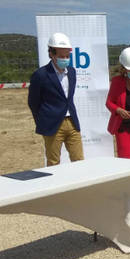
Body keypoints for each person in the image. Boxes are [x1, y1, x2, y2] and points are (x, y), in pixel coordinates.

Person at [28, 32, 84, 167]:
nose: (65, 59)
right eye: (61, 56)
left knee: (79, 161)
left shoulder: (72, 72)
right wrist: (43, 121)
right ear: (52, 54)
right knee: (54, 163)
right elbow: (33, 102)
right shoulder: (40, 75)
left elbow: (68, 98)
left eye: (67, 56)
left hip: (72, 122)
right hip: (52, 125)